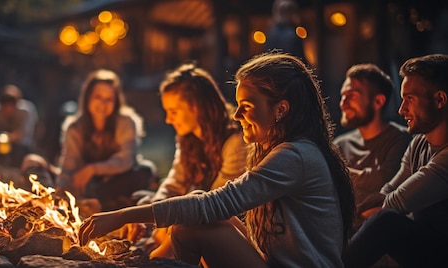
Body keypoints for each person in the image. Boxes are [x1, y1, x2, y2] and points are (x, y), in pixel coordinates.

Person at [79, 52, 355, 267]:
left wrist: (122, 216)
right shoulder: (274, 149)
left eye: (246, 108)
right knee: (192, 209)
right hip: (272, 260)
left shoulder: (295, 156)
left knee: (192, 226)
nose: (237, 116)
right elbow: (187, 189)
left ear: (281, 109)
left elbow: (218, 203)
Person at [342, 54, 448, 267]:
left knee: (387, 222)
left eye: (410, 99)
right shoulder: (419, 143)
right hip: (425, 246)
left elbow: (395, 202)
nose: (401, 110)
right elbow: (386, 191)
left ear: (439, 100)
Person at [133, 63, 248, 258]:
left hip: (225, 224)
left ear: (196, 107)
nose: (168, 120)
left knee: (176, 225)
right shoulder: (188, 138)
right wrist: (151, 212)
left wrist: (163, 220)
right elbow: (174, 183)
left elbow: (214, 203)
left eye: (174, 111)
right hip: (195, 208)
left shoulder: (234, 140)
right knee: (143, 199)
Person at [56, 69, 155, 212]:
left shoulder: (126, 122)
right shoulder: (75, 128)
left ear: (116, 102)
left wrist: (93, 169)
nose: (103, 104)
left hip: (120, 179)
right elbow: (69, 164)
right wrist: (61, 189)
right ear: (88, 98)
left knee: (145, 170)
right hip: (91, 184)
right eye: (98, 97)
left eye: (109, 99)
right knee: (84, 185)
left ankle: (98, 204)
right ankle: (108, 204)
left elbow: (126, 160)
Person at [334, 63, 411, 230]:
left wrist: (338, 170)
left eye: (352, 96)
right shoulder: (340, 144)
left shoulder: (402, 140)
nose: (343, 103)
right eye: (343, 96)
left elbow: (385, 179)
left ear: (378, 101)